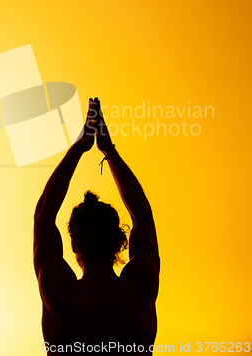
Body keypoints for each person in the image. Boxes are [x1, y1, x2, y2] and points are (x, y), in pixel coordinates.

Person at [34, 98, 160, 354]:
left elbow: (44, 216)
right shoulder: (139, 293)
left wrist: (79, 148)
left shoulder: (59, 296)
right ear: (119, 241)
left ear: (73, 243)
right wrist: (109, 151)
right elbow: (143, 216)